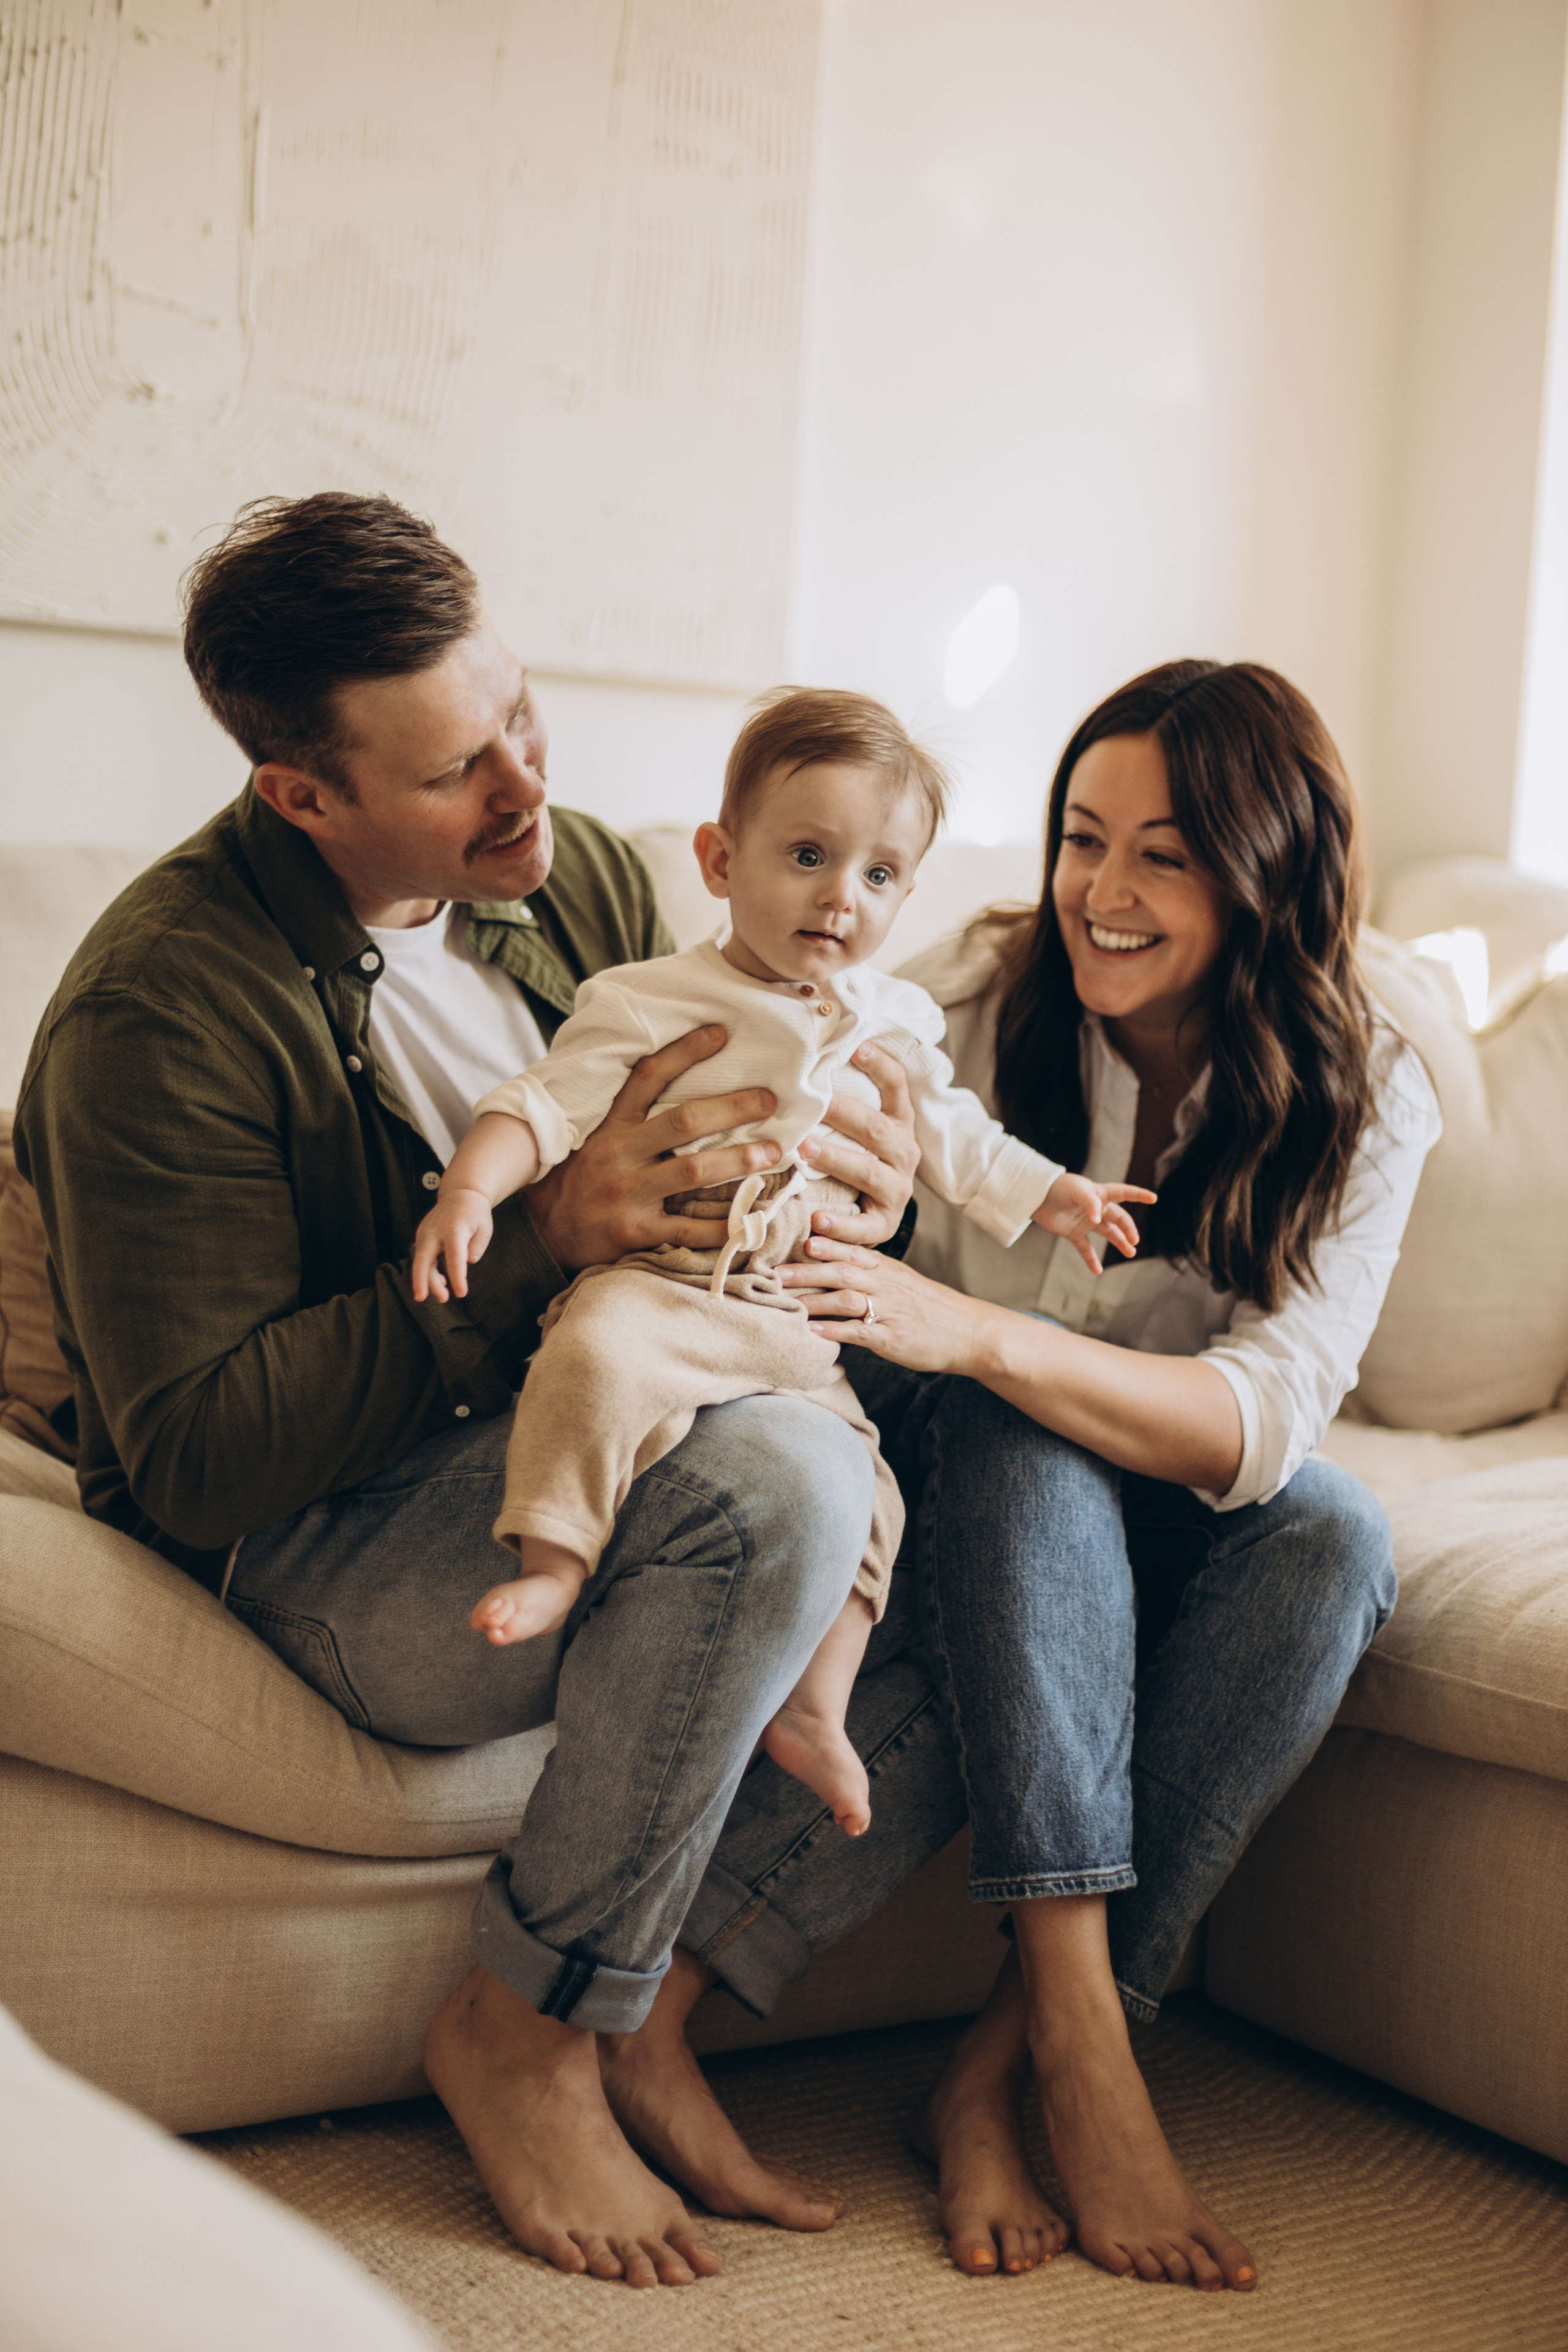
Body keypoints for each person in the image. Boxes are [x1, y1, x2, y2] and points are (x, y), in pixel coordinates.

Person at [12, 492, 951, 2287]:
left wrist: (865, 1175)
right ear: (304, 793)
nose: (523, 784)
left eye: (518, 711)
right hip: (323, 1527)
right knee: (777, 1492)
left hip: (617, 1401)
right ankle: (525, 2032)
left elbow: (782, 1088)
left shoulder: (573, 877)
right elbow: (198, 1456)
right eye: (460, 767)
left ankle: (663, 2006)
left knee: (999, 1458)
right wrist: (543, 1246)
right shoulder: (163, 1014)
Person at [768, 660, 1444, 2290]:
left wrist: (983, 1331)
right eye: (1083, 838)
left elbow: (1272, 1419)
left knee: (1340, 1538)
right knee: (1017, 1424)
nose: (1104, 892)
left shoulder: (1370, 1088)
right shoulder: (976, 1005)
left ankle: (998, 2063)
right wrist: (855, 1205)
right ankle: (1087, 2037)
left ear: (1266, 873)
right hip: (945, 1462)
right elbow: (815, 1138)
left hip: (1112, 1461)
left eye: (1167, 852)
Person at [410, 688, 1150, 1836]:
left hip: (790, 1317)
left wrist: (1057, 1195)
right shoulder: (649, 999)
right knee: (592, 1359)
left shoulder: (891, 1018)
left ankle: (816, 1703)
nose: (837, 898)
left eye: (878, 875)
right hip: (663, 1287)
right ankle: (554, 1553)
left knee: (864, 1492)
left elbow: (958, 1137)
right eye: (807, 855)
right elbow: (540, 1107)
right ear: (718, 858)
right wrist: (469, 1192)